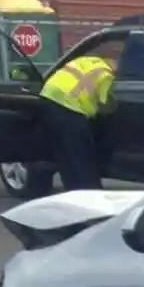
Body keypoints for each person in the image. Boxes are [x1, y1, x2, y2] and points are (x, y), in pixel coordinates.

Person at [38, 39, 122, 191]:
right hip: (69, 107)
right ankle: (87, 190)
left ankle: (71, 187)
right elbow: (105, 105)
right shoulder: (106, 75)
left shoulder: (87, 60)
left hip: (47, 97)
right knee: (79, 152)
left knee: (63, 151)